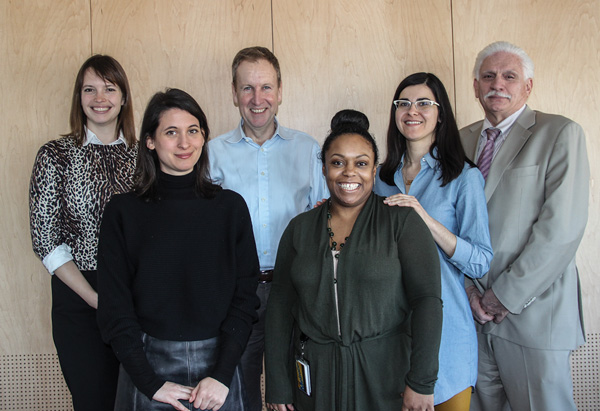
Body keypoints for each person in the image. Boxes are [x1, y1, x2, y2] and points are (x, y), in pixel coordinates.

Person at [264, 113, 443, 411]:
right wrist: (278, 385)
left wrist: (422, 381)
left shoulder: (401, 223)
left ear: (374, 169)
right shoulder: (299, 229)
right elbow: (280, 308)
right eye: (337, 162)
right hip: (316, 379)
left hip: (384, 375)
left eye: (361, 163)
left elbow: (427, 301)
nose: (349, 173)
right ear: (323, 169)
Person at [96, 88, 260, 411]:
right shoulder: (122, 212)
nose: (185, 143)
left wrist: (222, 374)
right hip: (147, 367)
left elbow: (244, 299)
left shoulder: (230, 208)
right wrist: (150, 383)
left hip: (219, 371)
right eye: (171, 132)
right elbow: (115, 310)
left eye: (193, 131)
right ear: (150, 141)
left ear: (203, 138)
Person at [459, 41, 589, 411]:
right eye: (488, 76)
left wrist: (504, 296)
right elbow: (447, 224)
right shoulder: (459, 140)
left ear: (527, 86)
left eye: (509, 76)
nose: (497, 84)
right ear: (475, 86)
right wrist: (470, 291)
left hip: (533, 315)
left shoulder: (560, 133)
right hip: (471, 316)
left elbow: (561, 230)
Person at [208, 46, 329, 411]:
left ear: (280, 91)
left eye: (266, 87)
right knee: (236, 395)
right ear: (233, 93)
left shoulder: (309, 150)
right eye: (247, 88)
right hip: (234, 294)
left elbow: (327, 223)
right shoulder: (211, 153)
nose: (257, 99)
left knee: (295, 394)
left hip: (294, 293)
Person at [374, 73, 493, 410]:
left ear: (441, 113)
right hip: (390, 337)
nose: (413, 111)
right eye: (404, 103)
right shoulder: (381, 179)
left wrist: (424, 218)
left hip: (448, 339)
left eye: (424, 103)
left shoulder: (464, 178)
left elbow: (481, 260)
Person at [29, 54, 137, 411]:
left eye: (109, 88)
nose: (99, 97)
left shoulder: (146, 155)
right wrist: (96, 299)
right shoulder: (55, 155)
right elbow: (46, 239)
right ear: (79, 97)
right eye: (89, 89)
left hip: (139, 297)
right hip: (79, 298)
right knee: (94, 401)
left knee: (143, 400)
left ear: (123, 96)